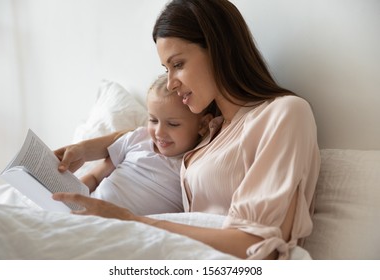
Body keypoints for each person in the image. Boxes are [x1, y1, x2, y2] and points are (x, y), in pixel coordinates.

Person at [53, 0, 320, 260]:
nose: (170, 84)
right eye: (166, 69)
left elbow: (257, 246)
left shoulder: (283, 113)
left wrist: (130, 222)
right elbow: (144, 135)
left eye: (178, 64)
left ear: (219, 50)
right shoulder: (207, 133)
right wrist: (86, 149)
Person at [62, 74, 213, 215]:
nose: (159, 132)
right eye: (153, 120)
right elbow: (95, 177)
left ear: (203, 125)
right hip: (85, 210)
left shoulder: (193, 166)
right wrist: (67, 198)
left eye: (173, 124)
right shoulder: (138, 139)